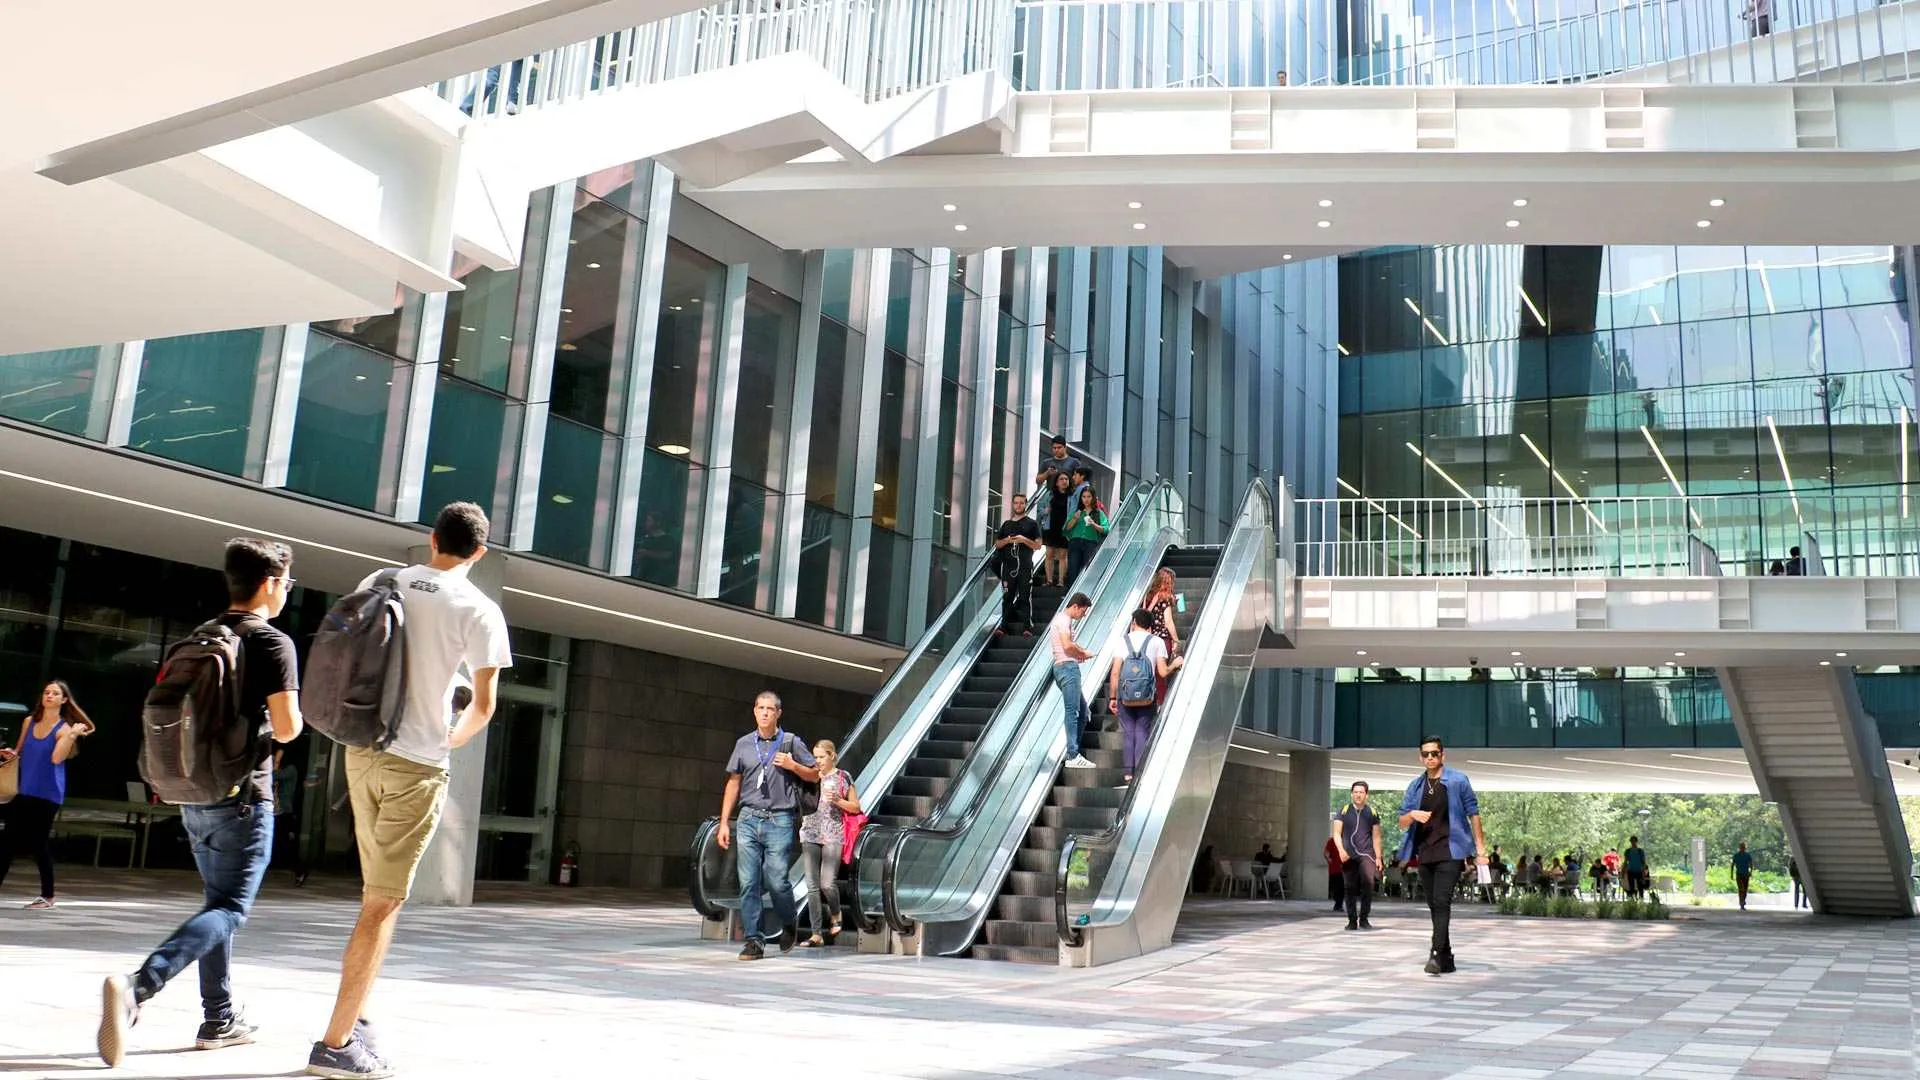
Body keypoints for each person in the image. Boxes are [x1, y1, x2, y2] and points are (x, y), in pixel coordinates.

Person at [307, 502, 513, 1079]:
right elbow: (484, 705)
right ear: (479, 551)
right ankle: (335, 1043)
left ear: (432, 539)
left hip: (360, 751)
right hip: (416, 765)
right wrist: (450, 738)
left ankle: (359, 1013)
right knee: (382, 903)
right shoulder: (478, 608)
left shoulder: (382, 580)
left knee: (374, 894)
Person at [99, 538, 304, 1067]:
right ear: (271, 583)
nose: (287, 591)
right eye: (287, 582)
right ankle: (138, 986)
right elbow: (287, 726)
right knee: (231, 909)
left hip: (193, 794)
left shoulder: (196, 638)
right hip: (242, 796)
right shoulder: (271, 643)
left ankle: (220, 1017)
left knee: (217, 906)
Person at [717, 691, 819, 961]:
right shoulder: (743, 744)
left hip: (780, 819)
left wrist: (793, 765)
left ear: (778, 713)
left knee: (776, 879)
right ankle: (754, 940)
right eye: (760, 708)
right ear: (754, 711)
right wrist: (725, 822)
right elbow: (733, 783)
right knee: (748, 882)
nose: (764, 713)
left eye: (770, 709)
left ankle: (788, 920)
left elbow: (815, 774)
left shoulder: (790, 742)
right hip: (748, 818)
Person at [1396, 736, 1488, 976]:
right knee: (1433, 904)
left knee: (1441, 901)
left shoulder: (1457, 780)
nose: (1430, 758)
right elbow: (1402, 822)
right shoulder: (1415, 786)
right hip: (1425, 852)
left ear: (1442, 755)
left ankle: (1436, 954)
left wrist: (1481, 849)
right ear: (1420, 757)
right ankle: (1447, 955)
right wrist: (1413, 814)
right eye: (1426, 754)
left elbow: (1473, 813)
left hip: (1452, 850)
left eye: (1434, 753)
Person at [0, 680, 94, 908]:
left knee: (38, 844)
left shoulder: (63, 729)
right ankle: (47, 895)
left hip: (47, 793)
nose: (49, 696)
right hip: (24, 789)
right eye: (46, 692)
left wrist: (72, 735)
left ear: (64, 700)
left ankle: (48, 896)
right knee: (8, 842)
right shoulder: (29, 722)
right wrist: (9, 753)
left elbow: (56, 758)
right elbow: (19, 751)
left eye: (55, 693)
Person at [1107, 608, 1182, 783]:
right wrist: (1175, 664)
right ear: (1151, 626)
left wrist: (1112, 697)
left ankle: (1127, 773)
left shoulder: (1122, 642)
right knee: (1142, 731)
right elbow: (1162, 673)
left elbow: (1115, 673)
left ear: (1134, 622)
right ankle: (1139, 772)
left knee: (1129, 733)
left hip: (1125, 697)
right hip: (1147, 696)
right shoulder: (1157, 642)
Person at [799, 739, 859, 947]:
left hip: (833, 833)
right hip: (810, 832)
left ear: (832, 756)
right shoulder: (811, 775)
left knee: (827, 883)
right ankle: (816, 934)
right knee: (812, 885)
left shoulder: (843, 777)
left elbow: (856, 807)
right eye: (815, 757)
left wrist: (838, 801)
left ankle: (836, 912)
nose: (818, 761)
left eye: (821, 757)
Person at [1047, 592, 1097, 769]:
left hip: (1066, 667)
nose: (1083, 615)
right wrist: (1083, 653)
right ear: (1075, 606)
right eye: (1083, 611)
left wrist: (1078, 654)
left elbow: (1067, 647)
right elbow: (1067, 646)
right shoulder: (1064, 620)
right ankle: (1073, 754)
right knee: (1073, 711)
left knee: (1083, 712)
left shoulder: (1061, 620)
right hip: (1067, 669)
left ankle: (1073, 753)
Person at [1332, 781, 1382, 931]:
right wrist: (1341, 850)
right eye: (1355, 792)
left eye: (1361, 792)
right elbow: (1336, 833)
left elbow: (1376, 836)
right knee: (1349, 887)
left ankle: (1364, 919)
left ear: (1366, 794)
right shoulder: (1344, 810)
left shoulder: (1372, 812)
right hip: (1348, 855)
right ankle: (1352, 920)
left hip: (1367, 854)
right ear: (1351, 794)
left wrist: (1378, 857)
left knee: (1368, 885)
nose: (1358, 794)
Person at [991, 493, 1044, 634]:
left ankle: (1028, 626)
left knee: (1025, 596)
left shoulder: (1032, 524)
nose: (1018, 505)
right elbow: (997, 544)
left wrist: (1023, 540)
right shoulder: (1006, 524)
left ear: (1025, 504)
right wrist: (1008, 541)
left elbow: (1038, 545)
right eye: (1016, 503)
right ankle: (1004, 626)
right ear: (1013, 504)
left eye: (1021, 503)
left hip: (1025, 566)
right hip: (1008, 566)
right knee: (1007, 597)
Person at [1064, 486, 1109, 586]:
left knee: (1087, 570)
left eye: (1089, 496)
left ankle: (1083, 594)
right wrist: (1075, 519)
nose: (1086, 499)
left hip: (1090, 544)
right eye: (1084, 497)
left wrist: (1093, 524)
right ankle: (1071, 596)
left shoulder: (1098, 513)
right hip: (1075, 543)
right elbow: (1067, 529)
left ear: (1093, 498)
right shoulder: (1077, 512)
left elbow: (1106, 529)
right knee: (1073, 569)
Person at [1040, 470, 1074, 587]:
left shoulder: (1072, 496)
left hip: (1065, 529)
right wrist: (1045, 511)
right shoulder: (1050, 494)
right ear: (1056, 483)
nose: (1064, 481)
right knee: (1049, 554)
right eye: (1061, 479)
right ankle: (1049, 580)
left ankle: (1060, 581)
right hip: (1050, 528)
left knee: (1062, 555)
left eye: (1066, 479)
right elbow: (1040, 508)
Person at [1323, 835, 1344, 912]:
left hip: (1343, 869)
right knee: (1336, 887)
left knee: (1341, 887)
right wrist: (1329, 859)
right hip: (1335, 868)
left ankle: (1339, 904)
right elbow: (1326, 852)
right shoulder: (1332, 840)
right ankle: (1338, 904)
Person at [1732, 843, 1754, 910]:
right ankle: (1741, 903)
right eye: (1742, 847)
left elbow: (1751, 864)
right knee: (1741, 889)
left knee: (1745, 889)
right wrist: (1731, 874)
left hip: (1746, 874)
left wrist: (1751, 872)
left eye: (1743, 847)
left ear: (1745, 848)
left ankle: (1743, 901)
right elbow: (1732, 865)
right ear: (1740, 847)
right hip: (1739, 874)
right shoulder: (1736, 855)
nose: (1742, 848)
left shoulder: (1747, 855)